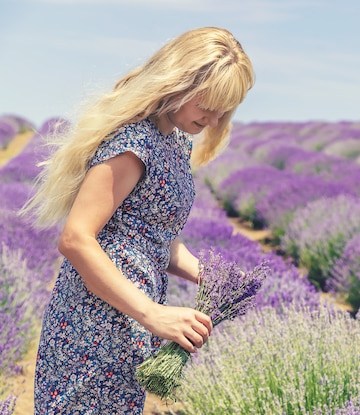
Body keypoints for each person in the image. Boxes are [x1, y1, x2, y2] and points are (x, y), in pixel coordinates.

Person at [19, 26, 254, 414]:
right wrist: (154, 313)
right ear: (179, 82)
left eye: (223, 110)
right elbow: (76, 238)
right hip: (94, 322)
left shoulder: (175, 142)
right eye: (207, 105)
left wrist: (207, 274)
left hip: (128, 320)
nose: (213, 120)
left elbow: (152, 236)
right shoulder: (134, 144)